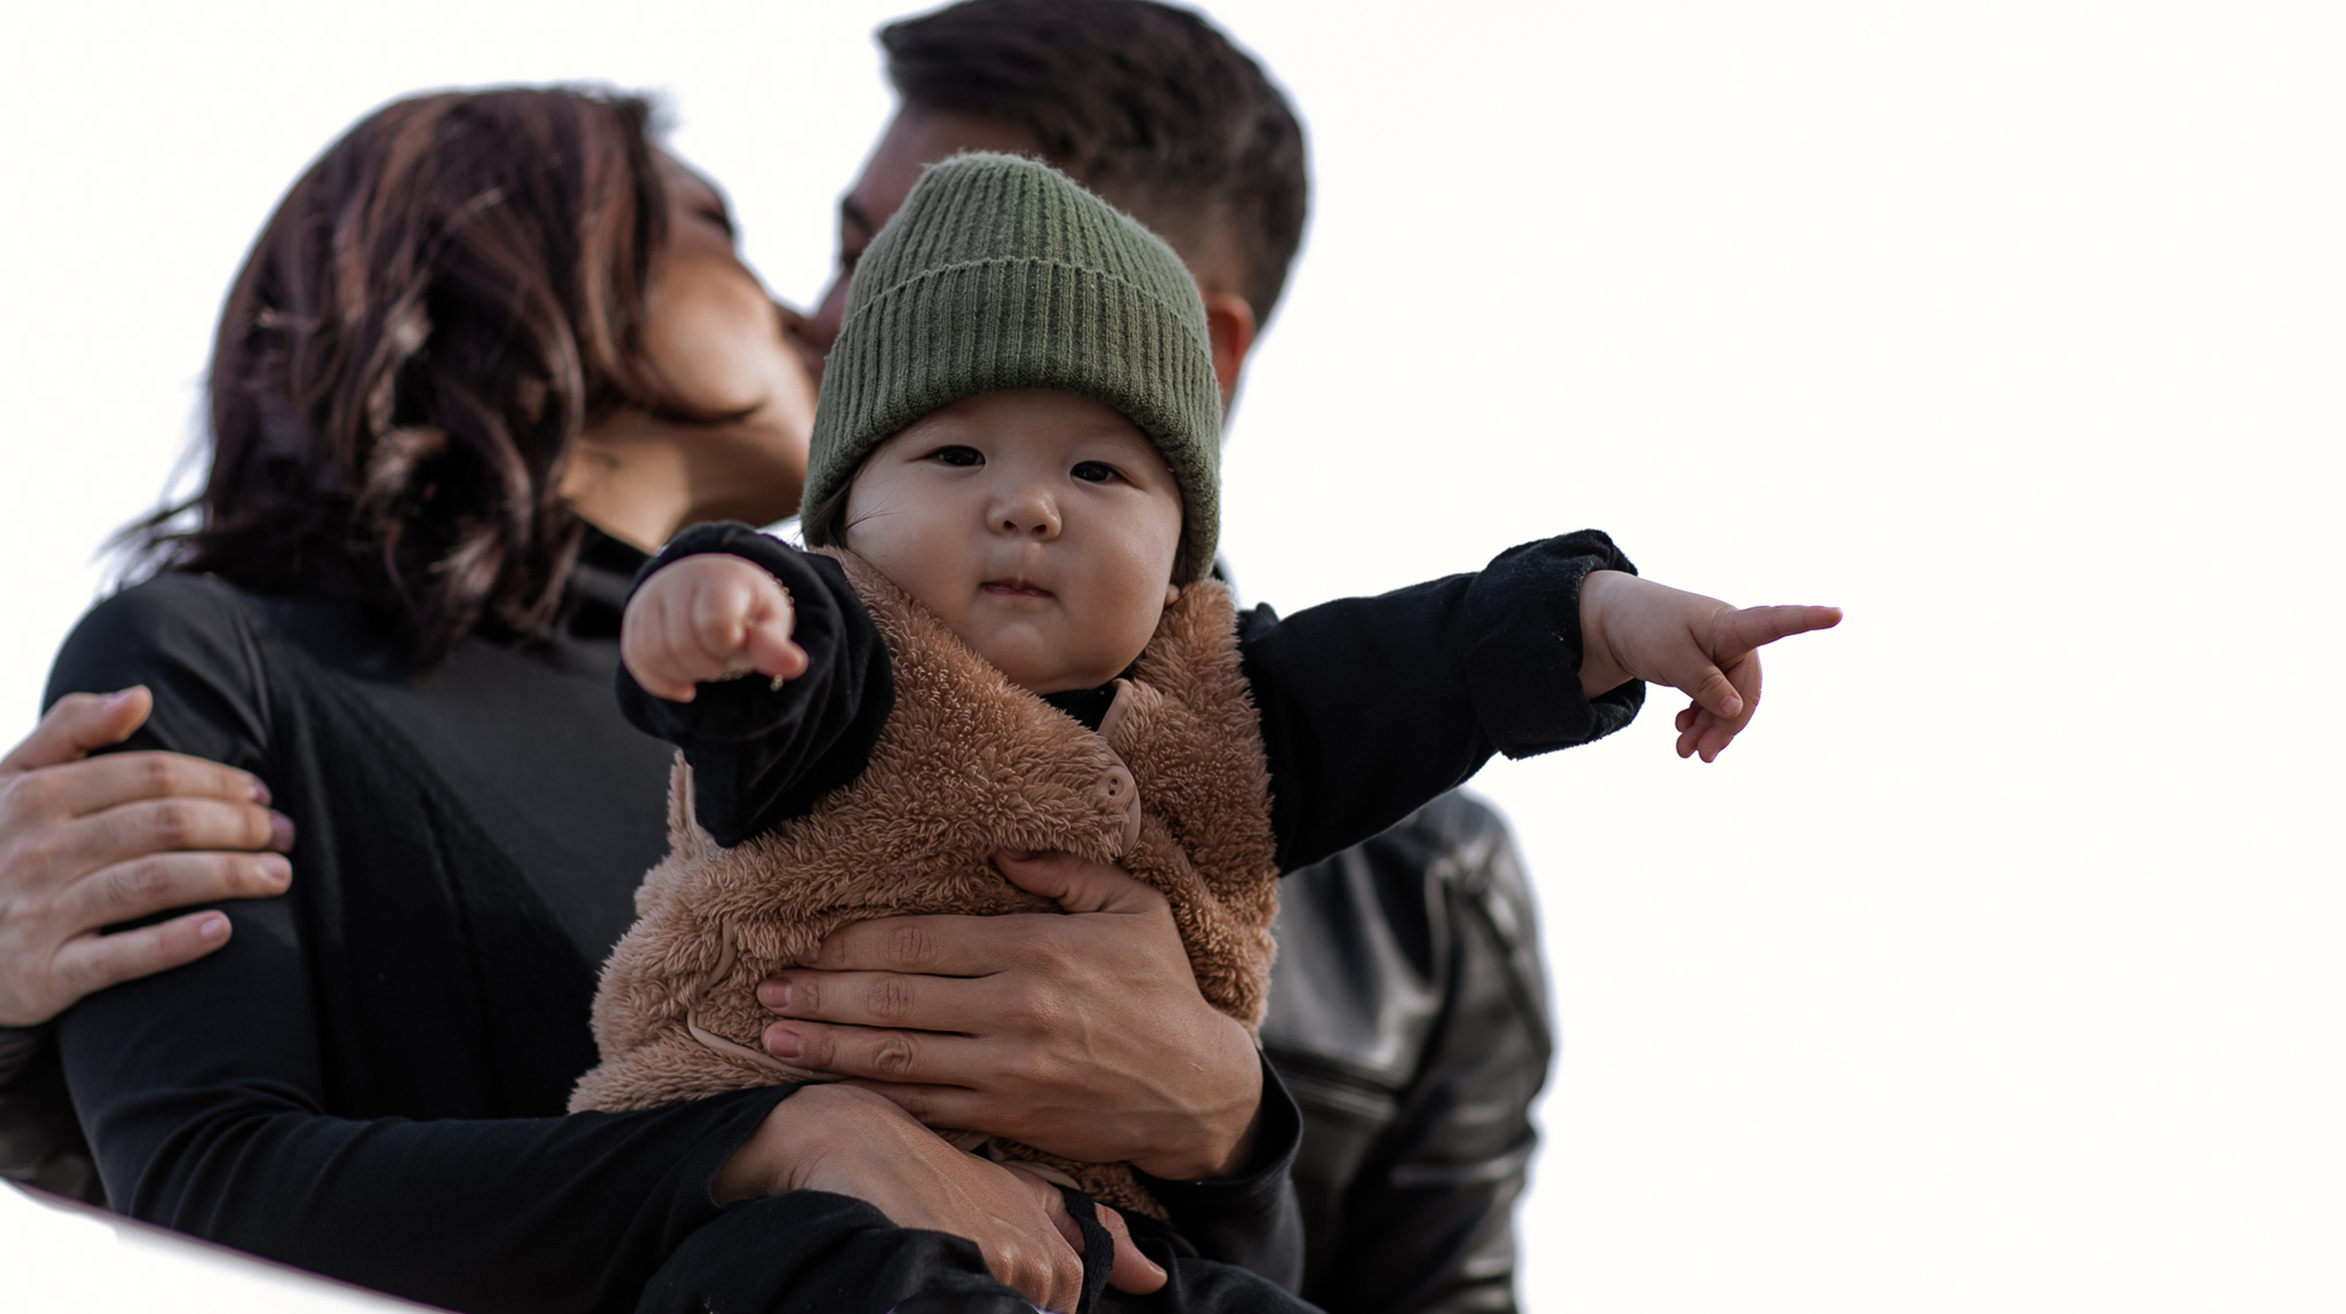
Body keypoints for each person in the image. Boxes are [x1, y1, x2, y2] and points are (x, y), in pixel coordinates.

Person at [0, 3, 1592, 1310]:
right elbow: (212, 1168)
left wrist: (1226, 1130)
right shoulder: (726, 684)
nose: (835, 308)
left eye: (935, 266)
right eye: (814, 237)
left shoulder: (1351, 825)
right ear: (512, 265)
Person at [577, 152, 1834, 1253]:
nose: (1029, 505)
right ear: (845, 511)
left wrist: (1604, 617)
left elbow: (1427, 661)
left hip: (1121, 1241)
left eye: (1098, 468)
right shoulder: (841, 649)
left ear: (1182, 539)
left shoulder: (1229, 708)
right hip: (809, 1214)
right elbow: (766, 672)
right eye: (955, 455)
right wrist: (711, 603)